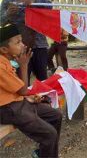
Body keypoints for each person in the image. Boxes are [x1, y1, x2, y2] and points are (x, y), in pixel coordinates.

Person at [0, 24, 62, 157]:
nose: (23, 45)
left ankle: (43, 153)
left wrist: (28, 96)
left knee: (55, 116)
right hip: (7, 109)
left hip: (18, 103)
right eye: (18, 42)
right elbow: (22, 90)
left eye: (21, 40)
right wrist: (24, 65)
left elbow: (18, 90)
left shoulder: (6, 61)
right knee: (50, 134)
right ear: (4, 49)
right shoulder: (0, 65)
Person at [0, 0, 52, 82]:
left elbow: (50, 8)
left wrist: (35, 1)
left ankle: (45, 99)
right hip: (19, 47)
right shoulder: (7, 1)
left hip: (39, 44)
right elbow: (0, 22)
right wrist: (7, 14)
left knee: (43, 79)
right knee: (22, 79)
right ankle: (25, 99)